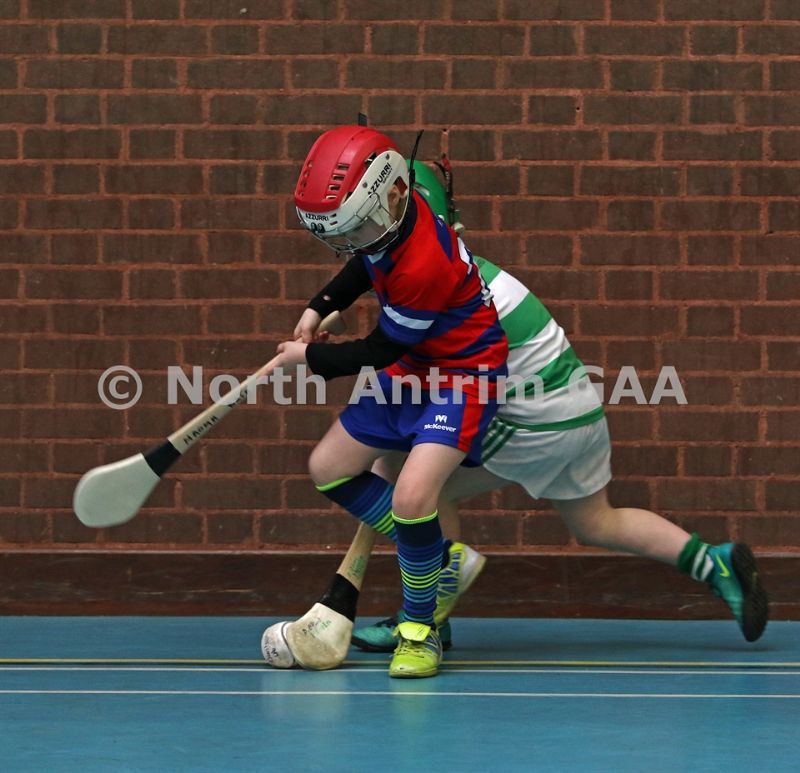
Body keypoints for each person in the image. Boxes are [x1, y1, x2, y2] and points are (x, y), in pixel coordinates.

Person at [349, 160, 769, 653]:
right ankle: (715, 564)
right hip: (579, 413)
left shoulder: (431, 286)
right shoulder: (462, 269)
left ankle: (426, 617)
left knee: (414, 486)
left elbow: (410, 375)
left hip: (536, 420)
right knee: (597, 521)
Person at [271, 125, 508, 678]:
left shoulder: (424, 263)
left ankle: (420, 632)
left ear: (395, 192)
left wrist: (307, 358)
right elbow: (364, 261)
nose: (353, 239)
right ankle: (435, 558)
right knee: (329, 468)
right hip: (416, 366)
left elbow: (382, 349)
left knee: (412, 498)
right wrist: (319, 305)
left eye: (357, 227)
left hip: (463, 375)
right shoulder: (392, 220)